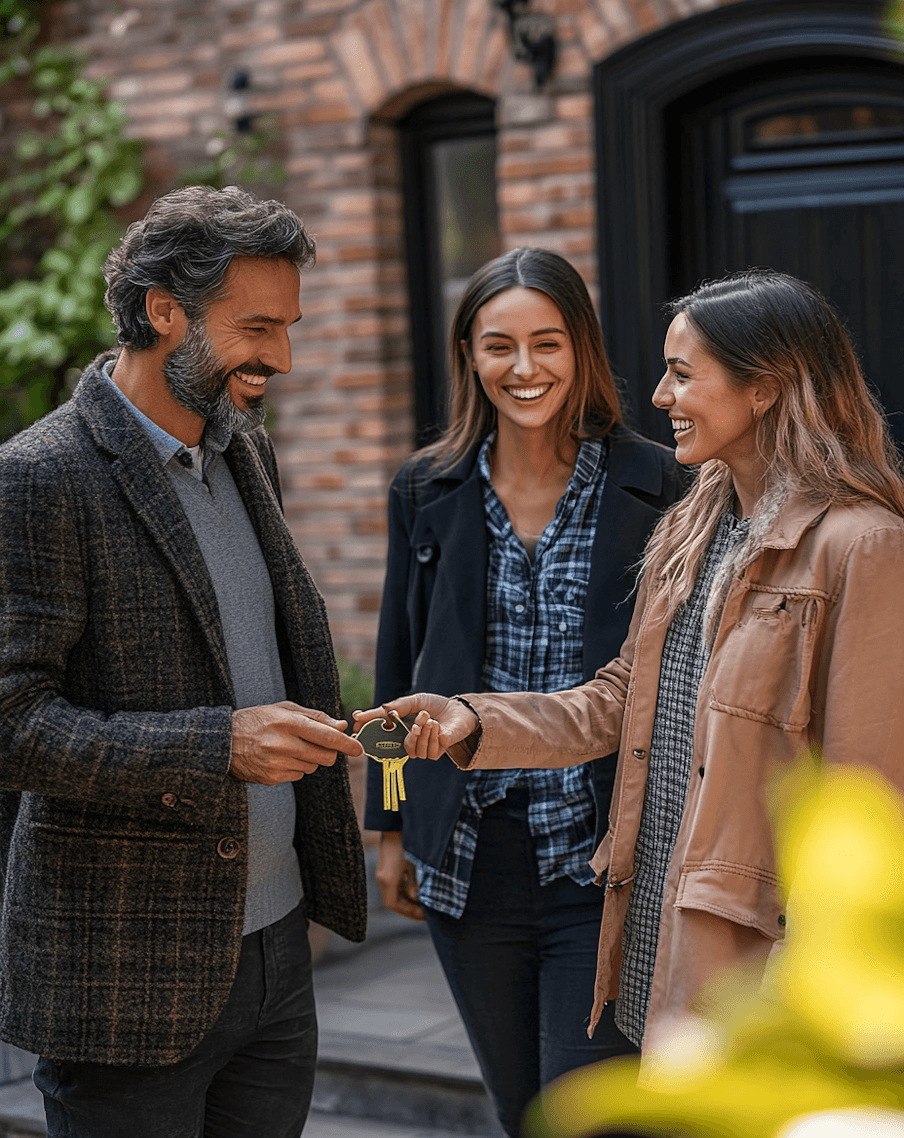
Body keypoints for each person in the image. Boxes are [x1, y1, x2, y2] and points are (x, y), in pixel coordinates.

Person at [358, 268, 904, 1058]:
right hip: (652, 909)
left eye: (682, 374)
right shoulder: (697, 523)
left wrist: (817, 972)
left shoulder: (863, 545)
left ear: (764, 388)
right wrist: (473, 718)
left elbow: (867, 807)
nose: (658, 395)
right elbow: (624, 698)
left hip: (762, 947)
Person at [0, 185, 367, 1138]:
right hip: (127, 984)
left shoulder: (246, 452)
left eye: (288, 327)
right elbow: (11, 724)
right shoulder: (39, 478)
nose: (281, 358)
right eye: (256, 328)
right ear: (163, 309)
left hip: (278, 958)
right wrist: (220, 747)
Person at [363, 247, 686, 1135]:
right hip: (471, 856)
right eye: (499, 345)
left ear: (581, 348)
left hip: (605, 852)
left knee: (587, 1116)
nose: (525, 369)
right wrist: (390, 826)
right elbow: (400, 673)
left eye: (548, 343)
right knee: (521, 1110)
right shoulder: (426, 487)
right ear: (469, 353)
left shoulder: (662, 485)